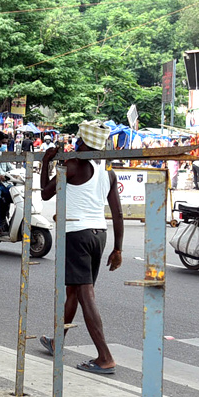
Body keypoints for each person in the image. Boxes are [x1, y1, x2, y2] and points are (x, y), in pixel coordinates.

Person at [37, 120, 125, 375]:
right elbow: (117, 214)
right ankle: (57, 340)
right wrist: (118, 248)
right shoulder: (107, 172)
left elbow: (44, 193)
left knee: (85, 294)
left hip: (76, 233)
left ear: (83, 141)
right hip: (100, 234)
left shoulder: (73, 165)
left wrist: (46, 162)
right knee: (74, 290)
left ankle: (105, 356)